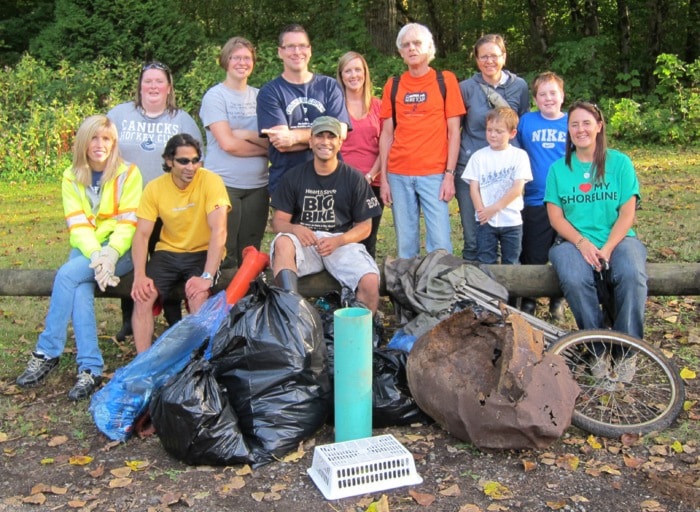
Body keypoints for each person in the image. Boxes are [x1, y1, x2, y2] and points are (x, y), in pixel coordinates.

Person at [16, 115, 142, 400]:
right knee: (80, 287)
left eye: (106, 139)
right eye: (94, 138)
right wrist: (96, 255)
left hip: (120, 250)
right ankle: (91, 368)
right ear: (83, 142)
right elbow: (78, 225)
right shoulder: (70, 176)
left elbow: (128, 223)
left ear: (114, 143)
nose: (100, 145)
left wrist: (109, 255)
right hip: (88, 249)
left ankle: (47, 351)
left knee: (67, 275)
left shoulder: (129, 173)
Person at [108, 61, 203, 340]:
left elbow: (196, 160)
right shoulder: (120, 115)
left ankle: (173, 319)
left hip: (169, 204)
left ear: (169, 87)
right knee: (132, 261)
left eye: (159, 81)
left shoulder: (181, 119)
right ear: (139, 86)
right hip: (127, 204)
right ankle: (129, 319)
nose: (153, 86)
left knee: (164, 261)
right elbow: (101, 149)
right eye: (147, 81)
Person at [545, 101, 647, 344]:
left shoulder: (620, 163)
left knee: (632, 273)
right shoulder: (558, 169)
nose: (581, 130)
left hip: (619, 239)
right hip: (572, 242)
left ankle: (627, 348)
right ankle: (595, 347)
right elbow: (555, 217)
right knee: (574, 278)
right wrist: (582, 244)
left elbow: (626, 212)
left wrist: (608, 248)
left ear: (599, 126)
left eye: (587, 123)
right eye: (574, 125)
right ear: (568, 130)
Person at [270, 116, 382, 314]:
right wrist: (295, 228)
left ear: (340, 142)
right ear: (311, 141)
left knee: (370, 281)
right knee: (283, 242)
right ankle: (291, 317)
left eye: (331, 136)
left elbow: (365, 227)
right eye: (320, 136)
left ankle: (363, 337)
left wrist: (340, 240)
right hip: (305, 241)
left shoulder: (354, 178)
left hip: (339, 241)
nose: (325, 141)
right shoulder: (294, 177)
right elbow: (278, 222)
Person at [130, 134, 230, 353]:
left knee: (198, 296)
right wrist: (139, 275)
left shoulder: (211, 181)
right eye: (184, 161)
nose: (191, 167)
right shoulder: (154, 188)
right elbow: (142, 235)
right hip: (168, 251)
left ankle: (202, 361)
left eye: (196, 160)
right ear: (169, 161)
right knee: (143, 296)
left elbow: (219, 230)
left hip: (203, 250)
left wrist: (207, 276)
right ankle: (142, 364)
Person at [379, 23, 465, 259]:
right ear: (400, 52)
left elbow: (454, 132)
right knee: (406, 246)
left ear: (429, 48)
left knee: (440, 245)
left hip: (435, 174)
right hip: (399, 173)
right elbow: (386, 134)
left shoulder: (445, 81)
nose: (412, 48)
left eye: (417, 43)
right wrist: (384, 179)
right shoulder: (393, 85)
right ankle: (407, 295)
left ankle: (439, 292)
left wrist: (449, 174)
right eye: (406, 45)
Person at [456, 34, 529, 262]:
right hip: (472, 169)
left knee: (508, 233)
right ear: (477, 60)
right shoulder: (466, 88)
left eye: (494, 56)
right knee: (474, 236)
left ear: (504, 56)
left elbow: (522, 124)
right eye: (483, 56)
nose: (489, 61)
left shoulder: (519, 86)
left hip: (507, 171)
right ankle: (473, 293)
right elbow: (453, 129)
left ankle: (509, 292)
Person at [200, 37, 270, 269]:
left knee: (250, 252)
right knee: (225, 253)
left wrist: (246, 134)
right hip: (224, 184)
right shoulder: (215, 96)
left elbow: (275, 145)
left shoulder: (262, 96)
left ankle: (248, 303)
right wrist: (262, 148)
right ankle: (222, 304)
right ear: (225, 61)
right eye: (236, 57)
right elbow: (228, 144)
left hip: (258, 186)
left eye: (247, 58)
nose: (242, 62)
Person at [257, 24, 351, 193]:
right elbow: (282, 144)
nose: (297, 51)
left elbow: (340, 133)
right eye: (290, 46)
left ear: (310, 50)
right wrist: (324, 139)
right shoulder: (270, 92)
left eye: (302, 45)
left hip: (331, 183)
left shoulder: (329, 86)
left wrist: (294, 137)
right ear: (280, 52)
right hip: (287, 185)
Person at [517, 72, 568, 319]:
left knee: (565, 250)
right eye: (542, 94)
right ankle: (529, 298)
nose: (548, 98)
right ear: (535, 98)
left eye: (553, 93)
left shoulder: (571, 122)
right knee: (534, 253)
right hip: (535, 199)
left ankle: (558, 299)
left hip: (568, 201)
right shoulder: (527, 122)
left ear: (562, 96)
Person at [462, 107, 532, 265]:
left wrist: (494, 208)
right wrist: (482, 212)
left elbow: (517, 188)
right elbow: (474, 187)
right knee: (485, 260)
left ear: (512, 133)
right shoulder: (479, 157)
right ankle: (488, 289)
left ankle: (511, 290)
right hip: (485, 221)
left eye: (499, 131)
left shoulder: (519, 156)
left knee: (511, 260)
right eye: (489, 130)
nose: (493, 135)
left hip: (511, 220)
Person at [336, 51, 383, 258]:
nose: (353, 75)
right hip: (341, 182)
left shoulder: (378, 106)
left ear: (365, 73)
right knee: (342, 240)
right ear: (341, 75)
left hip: (372, 183)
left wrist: (371, 175)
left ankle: (367, 289)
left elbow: (386, 146)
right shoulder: (335, 106)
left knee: (367, 241)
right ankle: (340, 289)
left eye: (358, 69)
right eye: (348, 70)